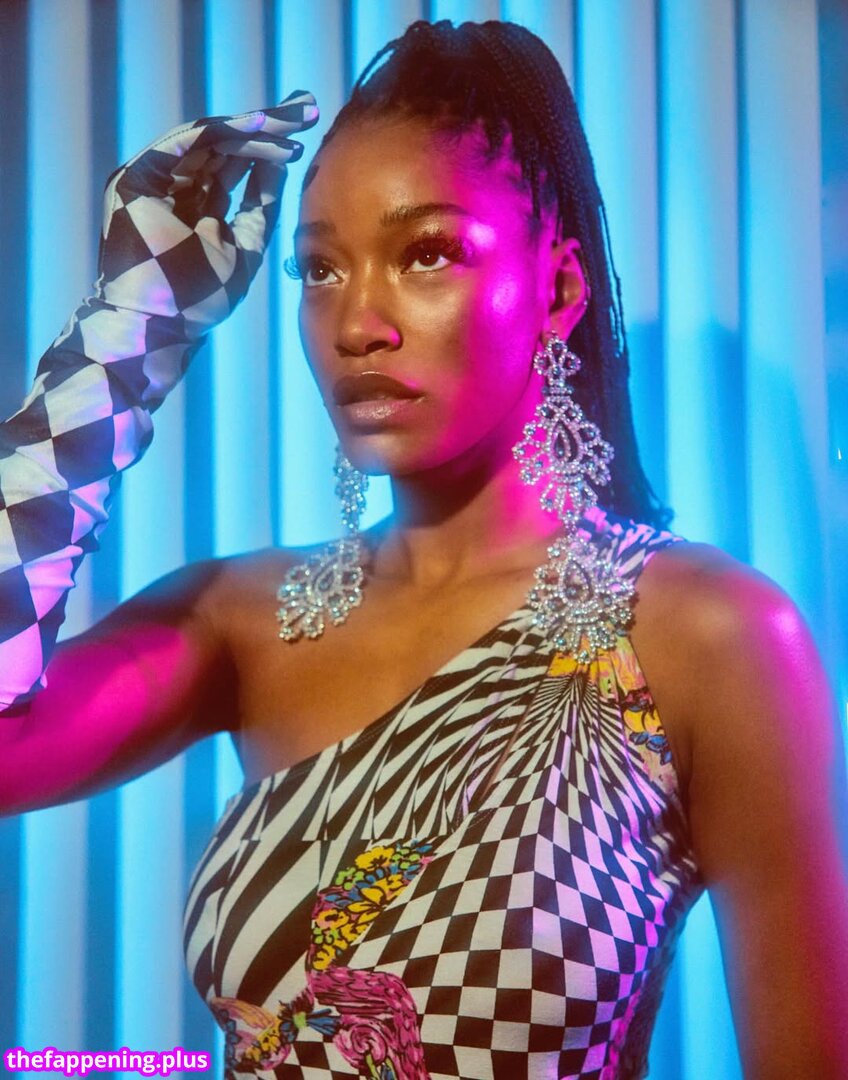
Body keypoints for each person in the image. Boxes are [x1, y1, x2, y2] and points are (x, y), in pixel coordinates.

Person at [1, 17, 846, 1080]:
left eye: (425, 254)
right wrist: (127, 334)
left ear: (556, 290)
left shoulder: (706, 635)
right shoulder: (241, 620)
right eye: (319, 269)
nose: (357, 322)